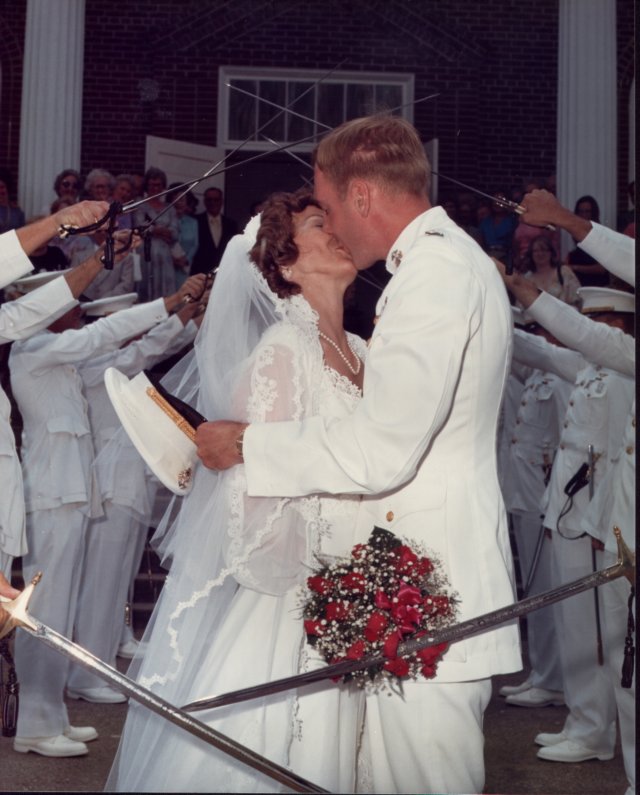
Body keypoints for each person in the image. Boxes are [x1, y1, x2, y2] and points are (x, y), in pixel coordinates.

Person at [194, 115, 522, 794]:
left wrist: (248, 442)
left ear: (364, 196)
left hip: (433, 595)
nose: (335, 227)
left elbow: (382, 450)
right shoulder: (438, 264)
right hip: (402, 593)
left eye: (334, 209)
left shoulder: (433, 273)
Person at [108, 189, 367, 792]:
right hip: (296, 597)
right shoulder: (280, 353)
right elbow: (246, 490)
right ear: (285, 265)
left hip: (358, 584)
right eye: (315, 223)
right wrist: (321, 566)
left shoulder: (363, 351)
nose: (336, 232)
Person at [9, 271, 195, 757]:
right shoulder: (32, 350)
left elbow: (130, 354)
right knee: (43, 610)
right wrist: (167, 302)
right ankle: (33, 722)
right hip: (50, 496)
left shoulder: (64, 361)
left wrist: (182, 315)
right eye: (67, 301)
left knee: (61, 608)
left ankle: (52, 713)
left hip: (69, 495)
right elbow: (100, 335)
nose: (77, 307)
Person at [134, 167, 179, 301]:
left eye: (158, 185)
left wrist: (154, 228)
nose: (155, 188)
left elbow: (175, 233)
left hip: (164, 255)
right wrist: (162, 230)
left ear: (163, 186)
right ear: (146, 186)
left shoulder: (169, 208)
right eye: (151, 185)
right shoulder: (140, 205)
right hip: (145, 253)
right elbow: (140, 228)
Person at [521, 235, 581, 307]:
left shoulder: (564, 272)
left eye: (543, 250)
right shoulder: (527, 278)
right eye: (536, 251)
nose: (540, 254)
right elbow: (521, 307)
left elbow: (578, 298)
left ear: (551, 253)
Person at [190, 186, 238, 275]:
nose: (212, 203)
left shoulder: (231, 224)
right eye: (209, 200)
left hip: (224, 273)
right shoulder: (195, 221)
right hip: (200, 274)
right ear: (204, 202)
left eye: (216, 200)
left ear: (221, 201)